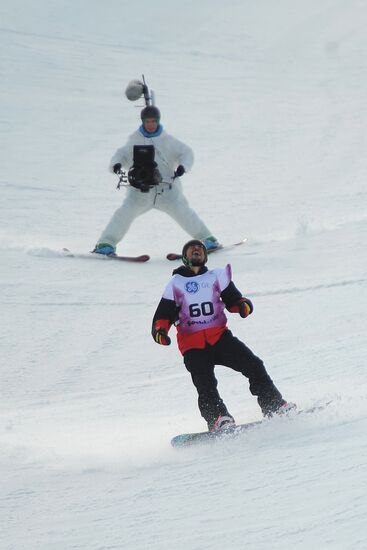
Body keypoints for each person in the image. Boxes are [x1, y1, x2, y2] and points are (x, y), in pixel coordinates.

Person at [152, 239, 296, 431]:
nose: (196, 250)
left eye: (200, 249)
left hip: (220, 339)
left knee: (253, 365)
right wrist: (160, 330)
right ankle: (218, 418)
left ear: (205, 256)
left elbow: (234, 299)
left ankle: (274, 405)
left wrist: (242, 305)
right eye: (191, 249)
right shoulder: (175, 284)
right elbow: (163, 313)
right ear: (184, 258)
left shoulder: (216, 276)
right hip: (193, 346)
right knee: (205, 385)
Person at [93, 105, 219, 255]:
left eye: (153, 121)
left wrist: (183, 167)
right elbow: (120, 155)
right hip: (139, 193)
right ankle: (105, 244)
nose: (150, 125)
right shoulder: (134, 140)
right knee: (123, 215)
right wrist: (116, 165)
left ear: (158, 121)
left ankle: (208, 240)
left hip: (166, 191)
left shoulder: (168, 141)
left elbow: (187, 152)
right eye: (147, 121)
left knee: (185, 214)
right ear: (142, 122)